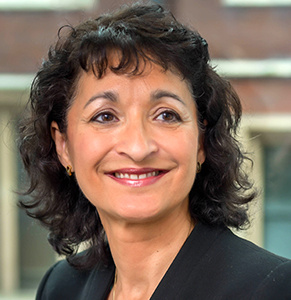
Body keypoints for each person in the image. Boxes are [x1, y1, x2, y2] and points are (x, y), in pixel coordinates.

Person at [17, 2, 291, 300]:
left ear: (201, 142)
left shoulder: (271, 289)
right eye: (105, 116)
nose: (138, 147)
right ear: (64, 146)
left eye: (166, 115)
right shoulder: (60, 288)